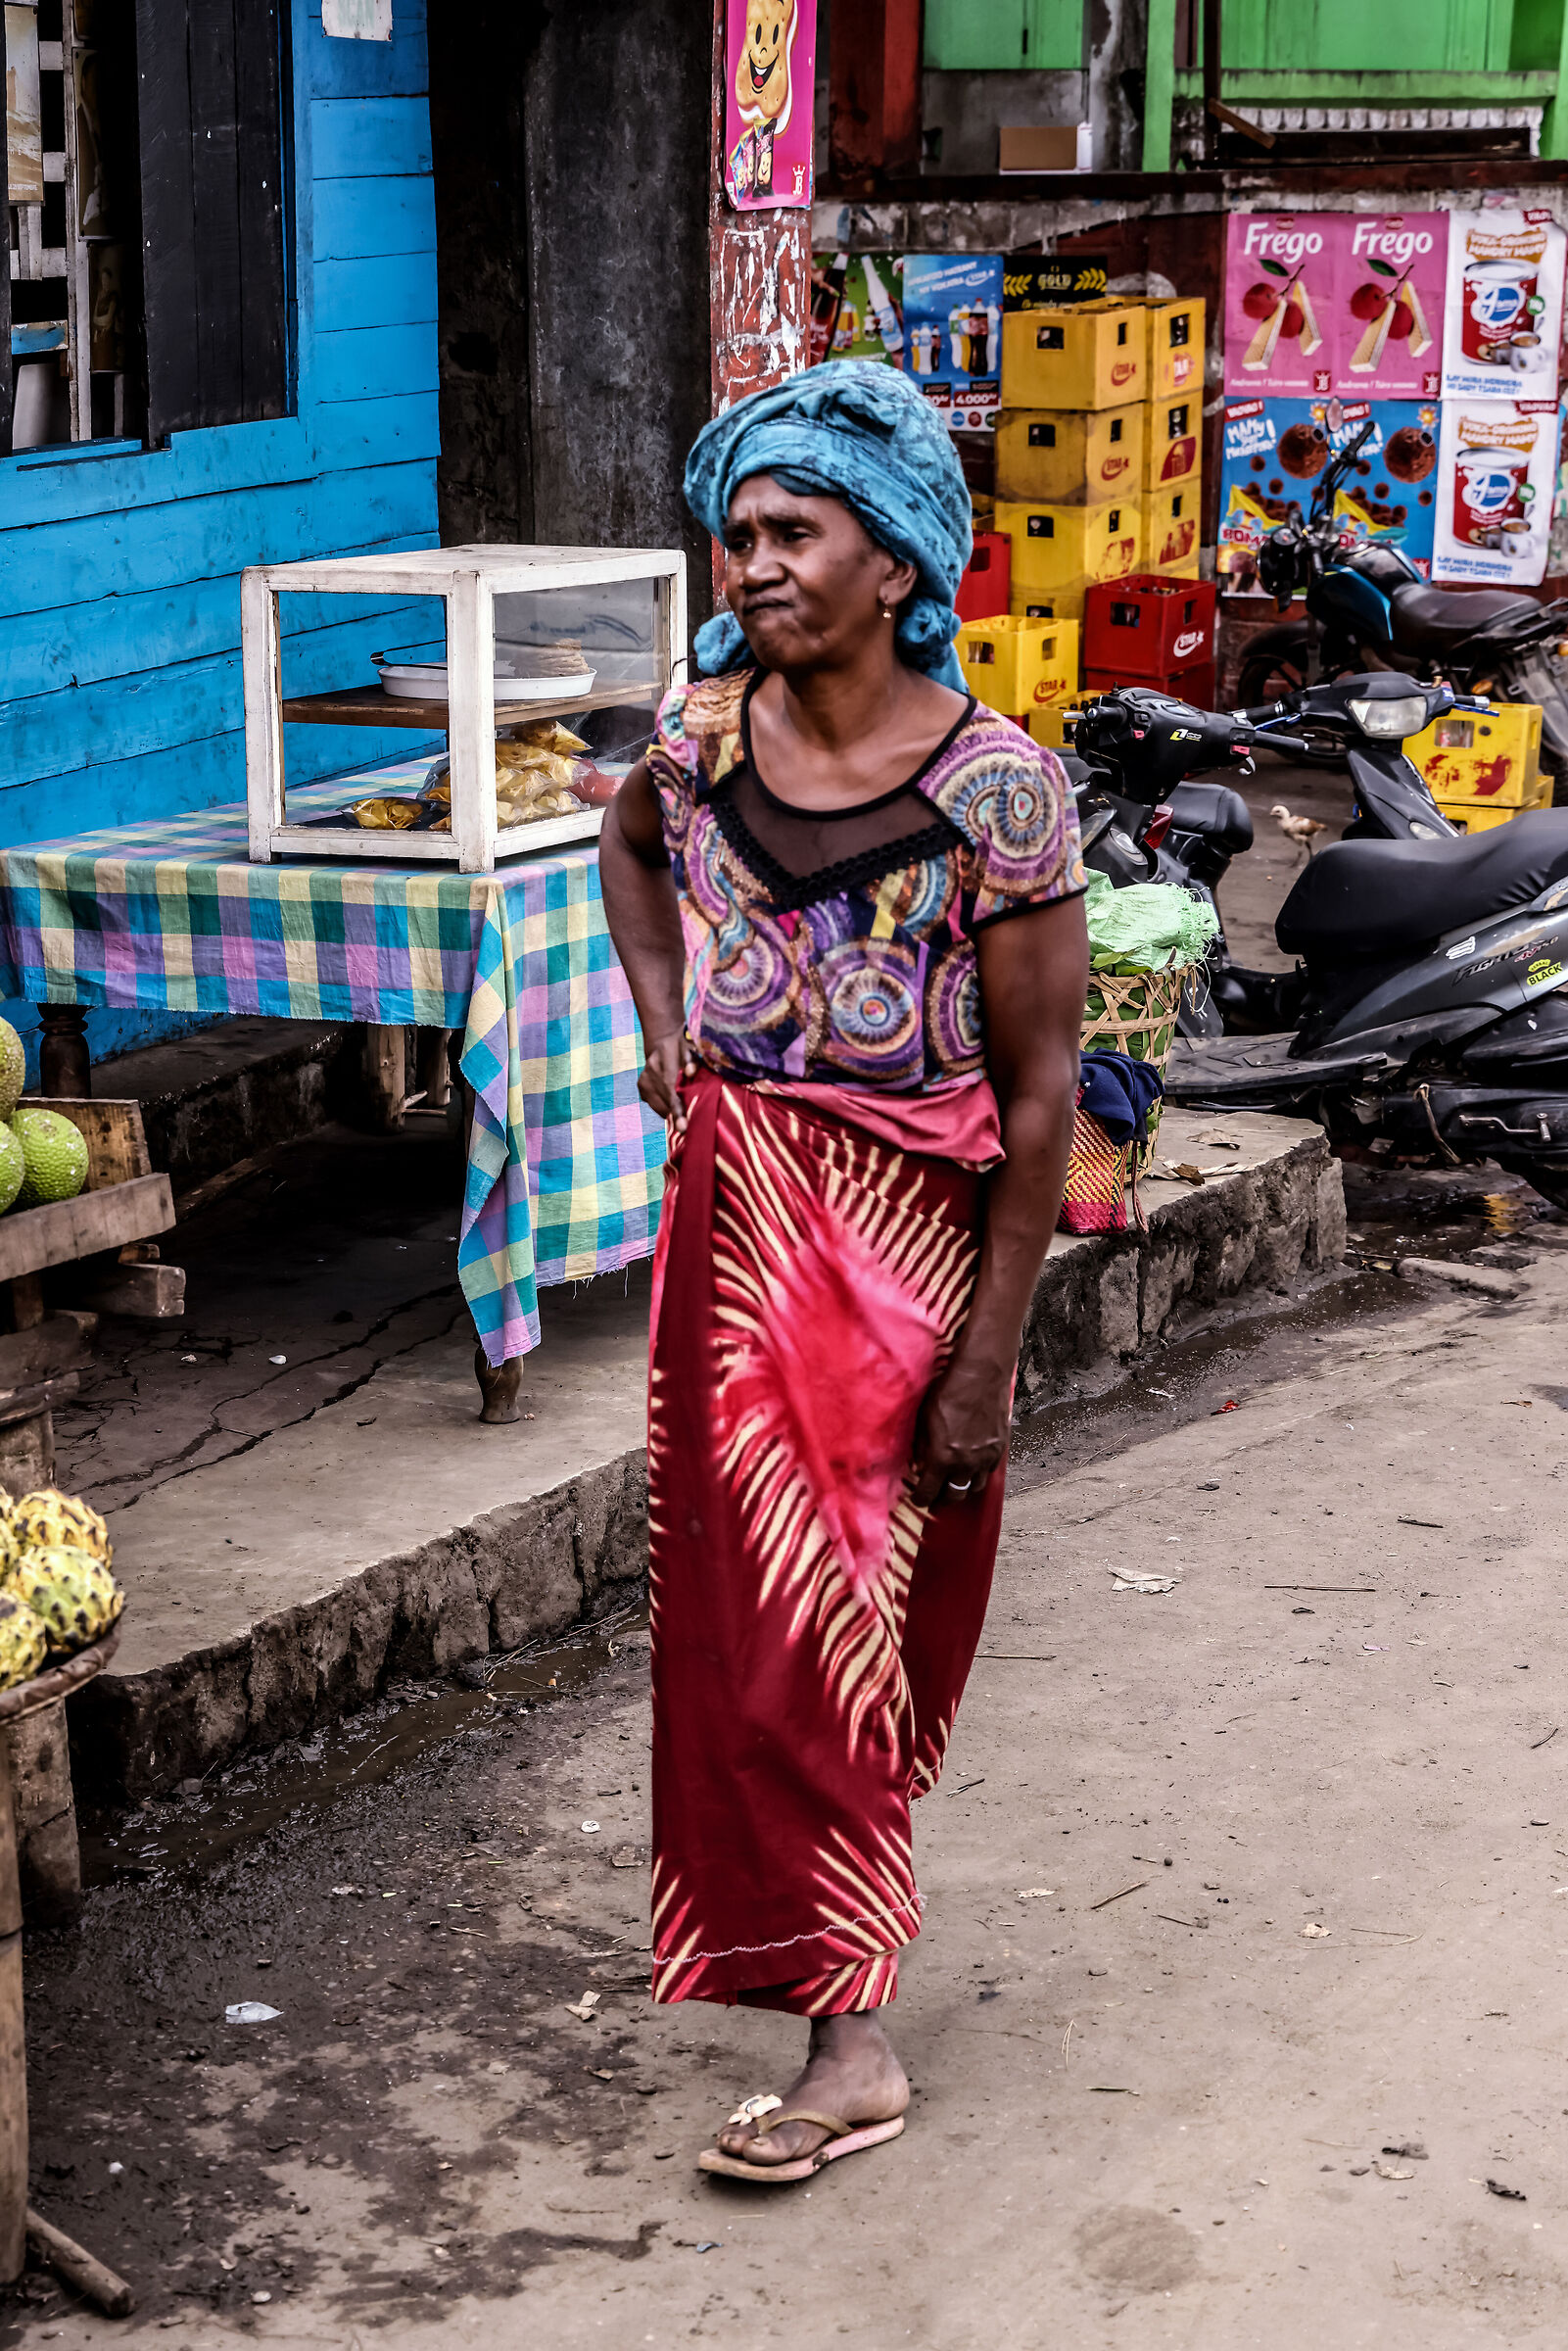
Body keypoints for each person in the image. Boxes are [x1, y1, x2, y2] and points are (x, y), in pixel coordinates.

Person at [598, 361, 1089, 2184]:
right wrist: (666, 1023)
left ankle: (841, 2006)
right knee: (765, 1624)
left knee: (860, 1614)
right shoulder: (700, 733)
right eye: (735, 535)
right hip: (735, 1233)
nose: (751, 566)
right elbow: (631, 848)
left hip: (905, 1247)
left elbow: (1041, 1104)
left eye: (792, 534)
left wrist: (986, 1360)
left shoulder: (997, 790)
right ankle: (845, 2024)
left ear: (895, 564)